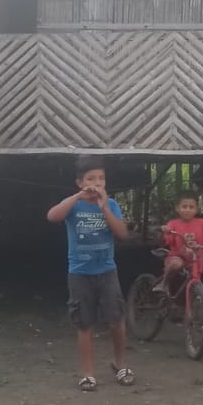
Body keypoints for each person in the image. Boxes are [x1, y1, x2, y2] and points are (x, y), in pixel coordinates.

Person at [46, 156, 132, 392]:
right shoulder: (73, 204)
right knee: (84, 323)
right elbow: (52, 216)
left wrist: (104, 208)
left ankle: (121, 364)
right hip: (79, 273)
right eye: (91, 179)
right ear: (80, 182)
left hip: (107, 271)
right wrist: (77, 197)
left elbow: (122, 233)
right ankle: (87, 374)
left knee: (116, 320)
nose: (97, 183)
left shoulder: (110, 204)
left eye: (101, 179)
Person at [155, 193, 203, 293]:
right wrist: (166, 230)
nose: (188, 210)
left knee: (196, 281)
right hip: (177, 257)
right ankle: (164, 283)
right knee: (176, 264)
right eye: (184, 207)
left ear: (196, 210)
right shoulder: (173, 223)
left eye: (191, 207)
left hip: (195, 259)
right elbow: (167, 239)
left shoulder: (202, 223)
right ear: (177, 208)